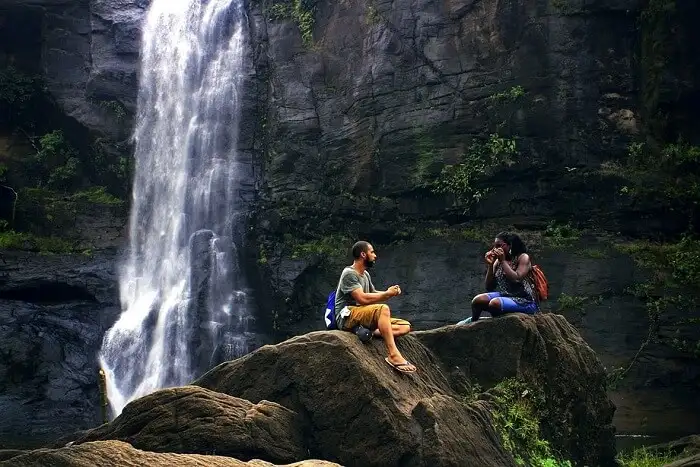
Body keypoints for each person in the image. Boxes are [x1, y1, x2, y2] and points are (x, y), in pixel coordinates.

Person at [334, 241, 416, 374]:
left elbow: (372, 293)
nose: (375, 255)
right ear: (363, 254)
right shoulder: (349, 273)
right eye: (372, 252)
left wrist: (389, 292)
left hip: (362, 314)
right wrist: (387, 295)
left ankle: (368, 332)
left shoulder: (365, 274)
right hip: (347, 316)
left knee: (405, 326)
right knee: (383, 309)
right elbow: (362, 298)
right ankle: (394, 355)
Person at [460, 231, 539, 324]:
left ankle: (497, 322)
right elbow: (489, 287)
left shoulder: (522, 258)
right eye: (494, 246)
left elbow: (517, 278)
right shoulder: (497, 262)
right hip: (507, 295)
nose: (494, 249)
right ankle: (473, 323)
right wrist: (490, 265)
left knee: (494, 303)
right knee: (478, 300)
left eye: (498, 246)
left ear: (509, 246)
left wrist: (503, 261)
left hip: (525, 301)